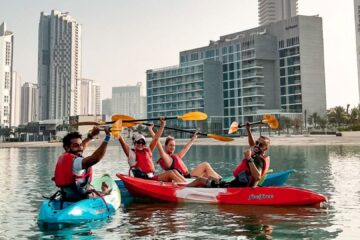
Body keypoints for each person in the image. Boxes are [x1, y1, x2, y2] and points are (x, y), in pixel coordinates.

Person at [118, 117, 187, 183]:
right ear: (135, 143)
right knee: (170, 173)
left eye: (142, 142)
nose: (140, 144)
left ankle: (187, 184)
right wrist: (118, 132)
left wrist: (162, 125)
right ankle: (187, 187)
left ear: (144, 143)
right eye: (138, 142)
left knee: (175, 171)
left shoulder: (148, 151)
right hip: (145, 179)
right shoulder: (132, 154)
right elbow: (123, 144)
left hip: (152, 177)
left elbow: (156, 139)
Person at [52, 126, 112, 201]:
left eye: (80, 145)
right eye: (76, 145)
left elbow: (81, 146)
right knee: (105, 191)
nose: (80, 147)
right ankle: (105, 191)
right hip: (80, 196)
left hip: (67, 196)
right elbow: (95, 158)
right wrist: (107, 137)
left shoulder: (66, 157)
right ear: (67, 148)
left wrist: (91, 136)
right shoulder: (76, 162)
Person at [148, 125, 221, 181]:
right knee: (205, 165)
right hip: (186, 178)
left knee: (207, 174)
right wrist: (151, 130)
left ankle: (220, 179)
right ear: (165, 146)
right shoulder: (166, 158)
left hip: (190, 175)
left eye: (174, 145)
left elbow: (185, 148)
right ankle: (220, 182)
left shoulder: (175, 157)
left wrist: (193, 139)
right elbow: (157, 142)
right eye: (170, 145)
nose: (172, 147)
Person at [230, 123, 270, 188]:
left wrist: (249, 158)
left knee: (206, 167)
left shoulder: (258, 159)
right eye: (257, 143)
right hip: (240, 183)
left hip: (238, 188)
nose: (257, 145)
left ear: (265, 148)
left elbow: (257, 177)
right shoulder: (258, 154)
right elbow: (252, 145)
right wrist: (248, 130)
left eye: (261, 145)